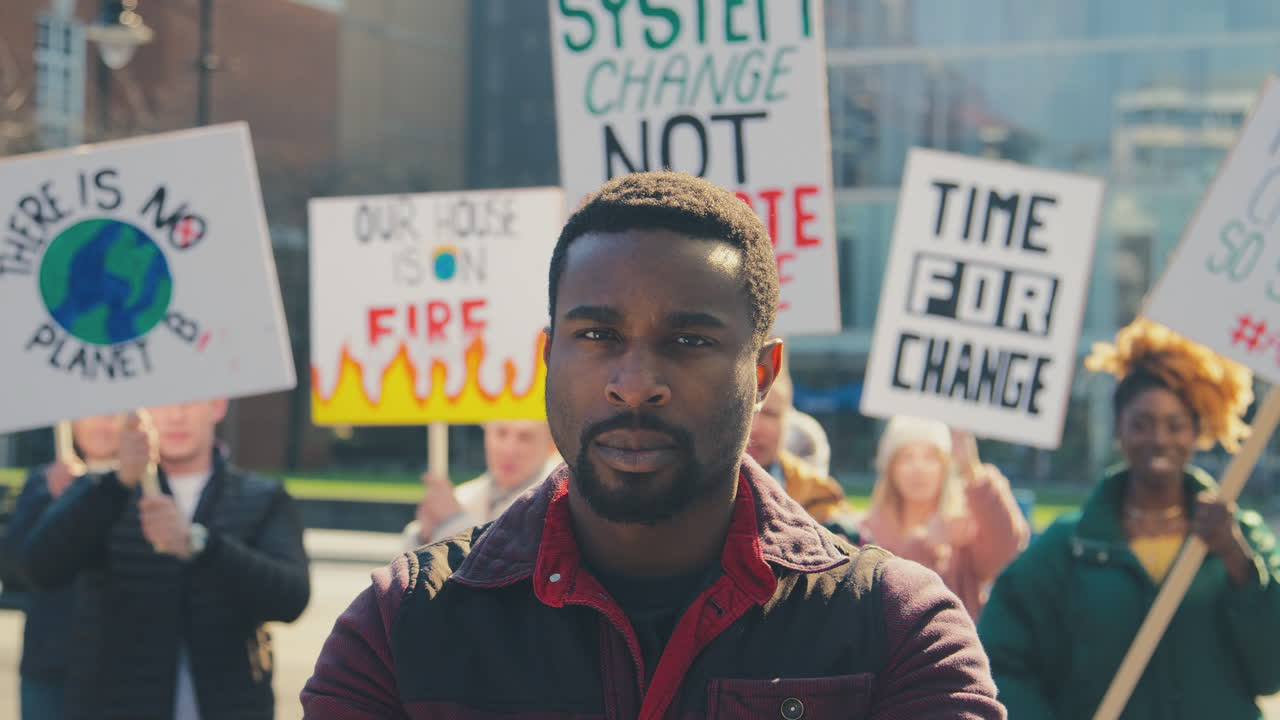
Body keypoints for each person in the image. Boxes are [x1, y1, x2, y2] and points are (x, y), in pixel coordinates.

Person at [304, 171, 1005, 719]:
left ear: (763, 374)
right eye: (598, 336)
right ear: (548, 357)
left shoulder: (898, 631)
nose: (635, 384)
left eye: (688, 341)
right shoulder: (399, 628)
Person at [979, 318, 1280, 719]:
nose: (1159, 439)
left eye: (1175, 425)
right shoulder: (1067, 547)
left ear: (1196, 431)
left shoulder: (1242, 539)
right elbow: (1001, 663)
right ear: (1119, 429)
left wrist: (1237, 561)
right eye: (1142, 424)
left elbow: (1270, 674)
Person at [17, 399, 311, 720]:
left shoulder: (262, 497)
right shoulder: (105, 491)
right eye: (161, 402)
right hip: (118, 704)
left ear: (217, 405)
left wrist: (200, 545)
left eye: (191, 400)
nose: (176, 415)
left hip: (232, 702)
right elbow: (39, 569)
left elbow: (291, 598)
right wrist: (116, 484)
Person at [5, 413, 122, 720]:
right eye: (92, 413)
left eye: (113, 413)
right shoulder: (45, 481)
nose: (102, 423)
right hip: (52, 665)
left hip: (120, 666)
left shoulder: (147, 486)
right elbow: (17, 566)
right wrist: (53, 503)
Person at [860, 416, 1029, 621]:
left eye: (931, 457)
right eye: (906, 457)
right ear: (891, 469)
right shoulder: (865, 533)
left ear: (946, 467)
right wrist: (925, 545)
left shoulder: (964, 529)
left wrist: (971, 469)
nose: (918, 468)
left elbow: (1007, 546)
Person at [401, 419, 561, 550]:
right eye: (501, 433)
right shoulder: (461, 497)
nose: (509, 449)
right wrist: (424, 536)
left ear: (552, 446)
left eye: (525, 437)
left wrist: (454, 522)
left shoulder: (561, 504)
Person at [745, 369, 848, 523]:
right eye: (746, 410)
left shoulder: (820, 496)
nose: (754, 428)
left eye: (769, 414)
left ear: (787, 421)